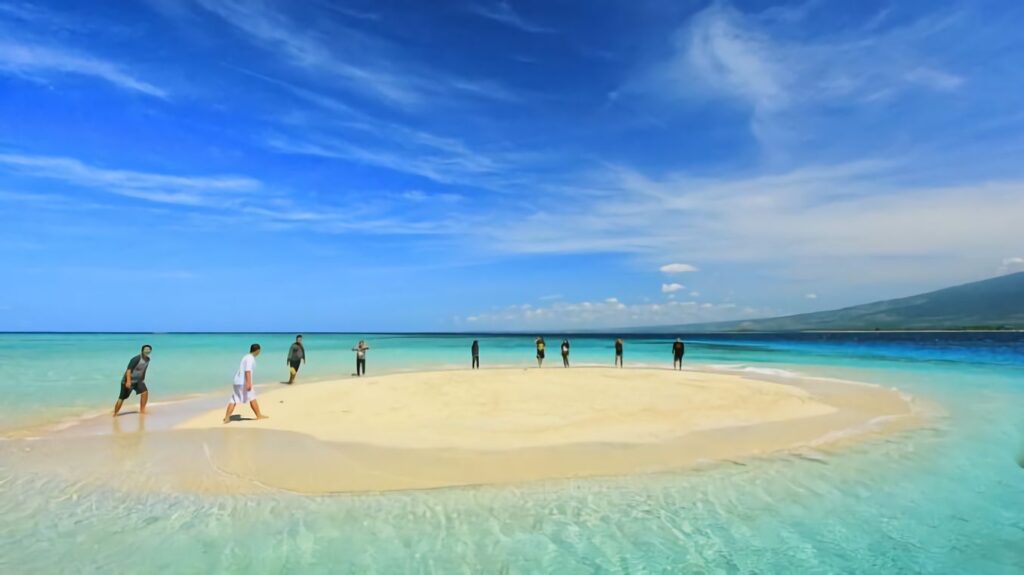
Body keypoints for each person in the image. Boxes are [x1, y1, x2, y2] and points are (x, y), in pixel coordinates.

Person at [223, 344, 268, 423]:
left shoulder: (246, 357)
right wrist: (249, 383)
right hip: (243, 382)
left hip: (237, 381)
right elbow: (247, 370)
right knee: (252, 397)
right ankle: (259, 415)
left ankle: (227, 418)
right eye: (260, 351)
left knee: (234, 399)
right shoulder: (250, 358)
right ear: (257, 350)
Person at [113, 344, 152, 416]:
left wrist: (143, 378)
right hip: (127, 381)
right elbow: (128, 370)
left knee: (145, 392)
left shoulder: (148, 359)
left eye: (149, 349)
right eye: (146, 349)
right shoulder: (136, 359)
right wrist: (128, 381)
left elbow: (144, 369)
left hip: (138, 381)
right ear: (142, 350)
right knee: (122, 398)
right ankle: (115, 414)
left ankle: (142, 410)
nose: (147, 350)